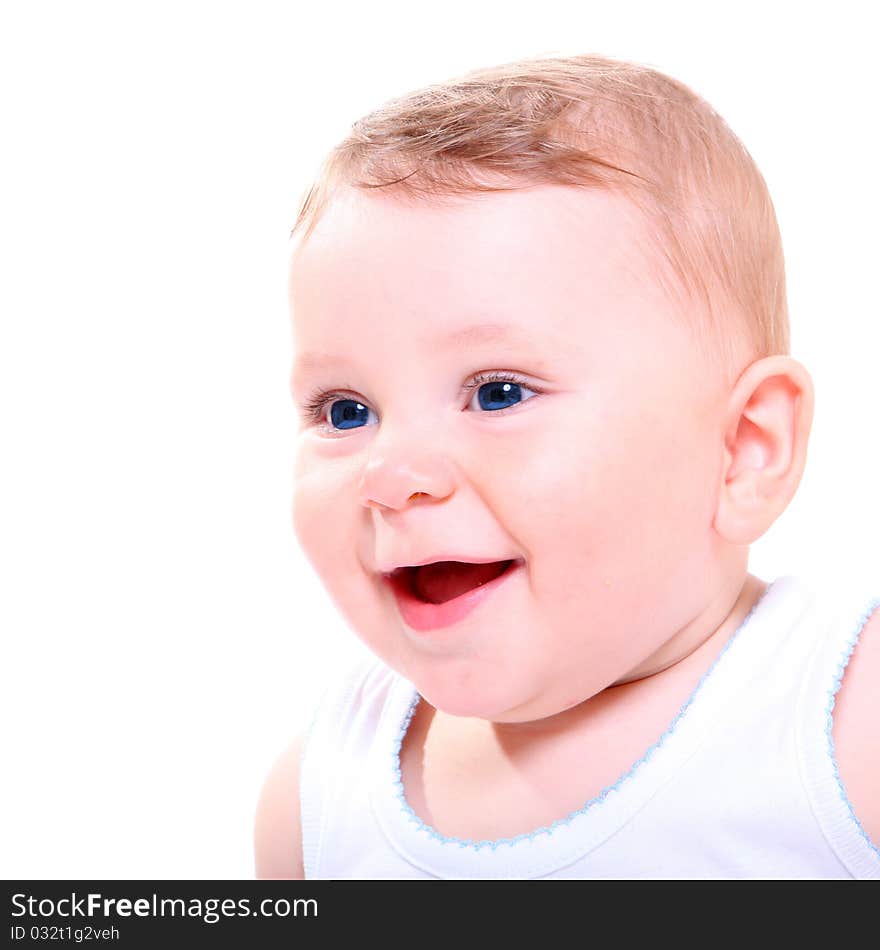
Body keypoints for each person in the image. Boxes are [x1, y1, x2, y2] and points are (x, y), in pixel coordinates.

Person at [254, 53, 880, 879]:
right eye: (345, 411)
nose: (391, 472)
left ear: (744, 449)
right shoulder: (318, 800)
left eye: (499, 392)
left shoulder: (840, 716)